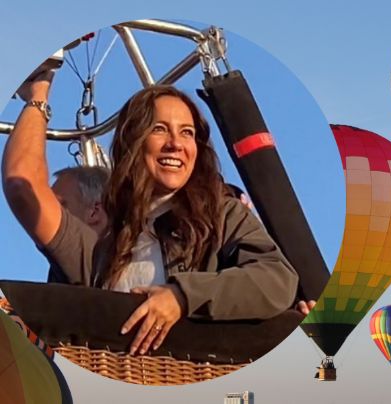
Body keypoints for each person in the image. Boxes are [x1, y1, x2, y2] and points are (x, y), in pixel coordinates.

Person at [2, 72, 299, 356]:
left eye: (187, 133)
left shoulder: (222, 216)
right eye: (159, 129)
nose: (176, 144)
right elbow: (21, 184)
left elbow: (276, 278)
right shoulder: (101, 246)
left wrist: (182, 296)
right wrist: (38, 95)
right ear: (133, 141)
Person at [47, 166, 110, 283]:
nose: (48, 212)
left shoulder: (92, 256)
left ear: (94, 213)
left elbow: (20, 191)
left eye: (60, 206)